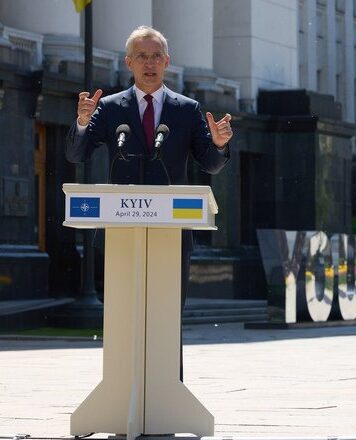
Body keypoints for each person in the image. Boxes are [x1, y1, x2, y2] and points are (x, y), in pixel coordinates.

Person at [66, 25, 233, 380]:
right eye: (142, 56)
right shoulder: (110, 108)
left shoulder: (187, 110)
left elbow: (211, 164)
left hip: (171, 233)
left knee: (167, 312)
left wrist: (218, 144)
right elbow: (76, 154)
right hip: (122, 230)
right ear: (129, 62)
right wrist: (82, 122)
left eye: (156, 56)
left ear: (167, 62)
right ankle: (123, 386)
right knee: (125, 312)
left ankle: (168, 387)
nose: (150, 63)